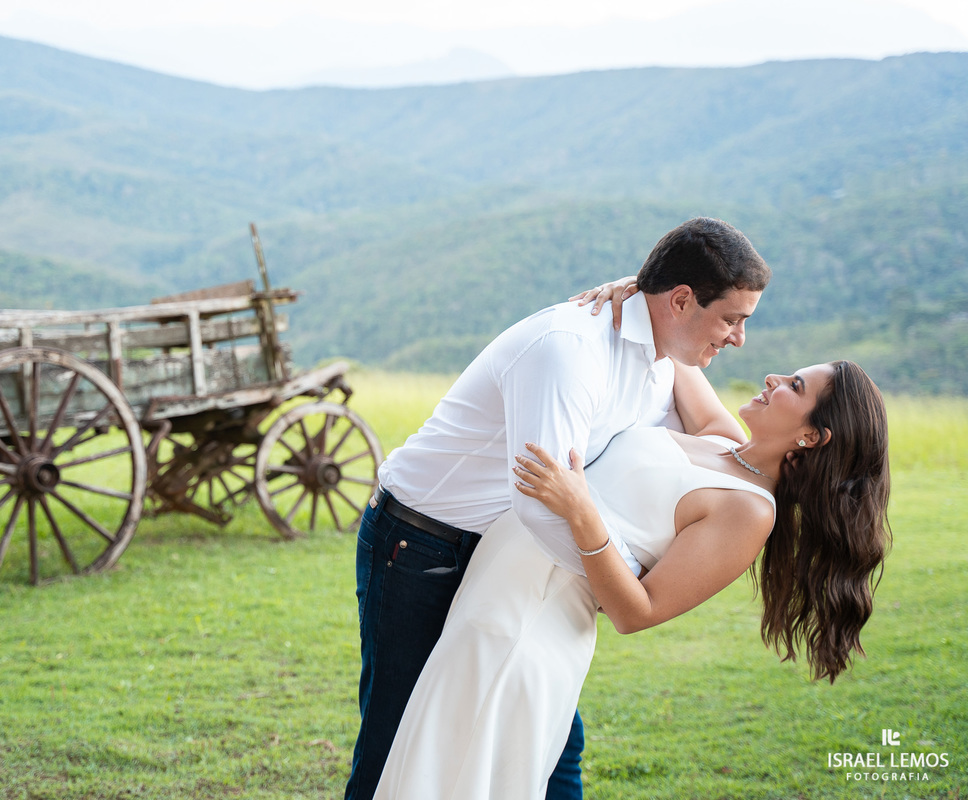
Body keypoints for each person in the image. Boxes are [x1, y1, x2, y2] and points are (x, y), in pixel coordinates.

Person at [346, 217, 771, 800]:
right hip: (425, 545)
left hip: (512, 567)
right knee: (401, 741)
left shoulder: (663, 363)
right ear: (680, 300)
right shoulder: (571, 351)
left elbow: (718, 442)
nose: (738, 338)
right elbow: (541, 505)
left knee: (553, 742)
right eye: (733, 319)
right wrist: (619, 578)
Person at [372, 359, 891, 798]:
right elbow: (678, 345)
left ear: (812, 436)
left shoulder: (751, 512)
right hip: (486, 607)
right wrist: (634, 287)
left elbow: (637, 612)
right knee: (428, 769)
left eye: (795, 388)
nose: (775, 378)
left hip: (524, 630)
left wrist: (582, 514)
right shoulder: (722, 440)